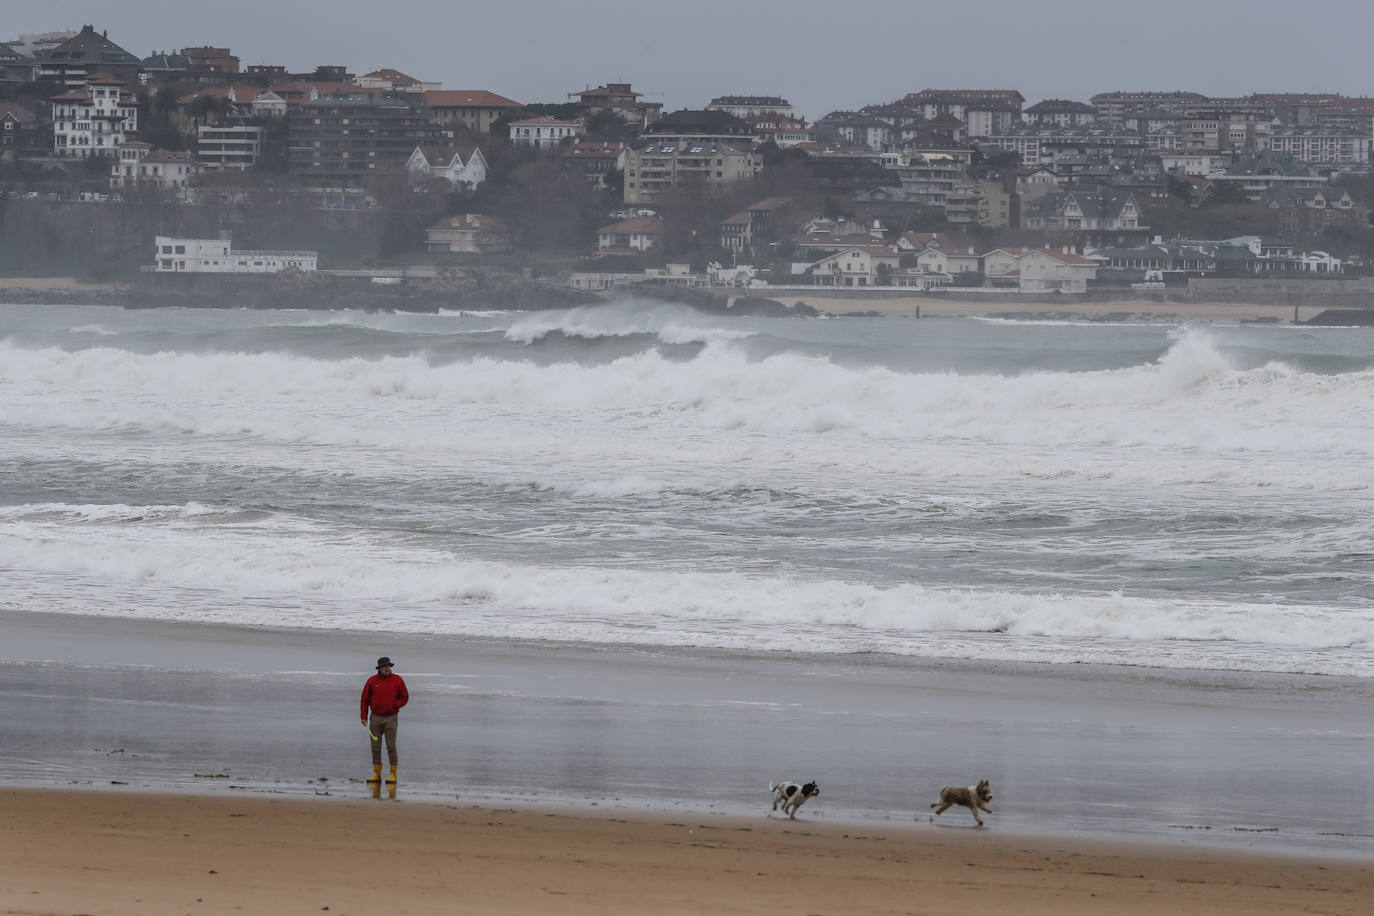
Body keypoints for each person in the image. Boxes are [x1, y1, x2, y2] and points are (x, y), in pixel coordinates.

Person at [360, 656, 409, 785]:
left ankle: (393, 774)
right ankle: (376, 774)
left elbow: (405, 697)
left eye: (389, 666)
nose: (387, 668)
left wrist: (396, 705)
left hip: (391, 718)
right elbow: (364, 699)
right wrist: (363, 716)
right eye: (385, 666)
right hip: (375, 718)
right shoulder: (371, 681)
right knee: (375, 747)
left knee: (391, 747)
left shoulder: (398, 680)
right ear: (380, 669)